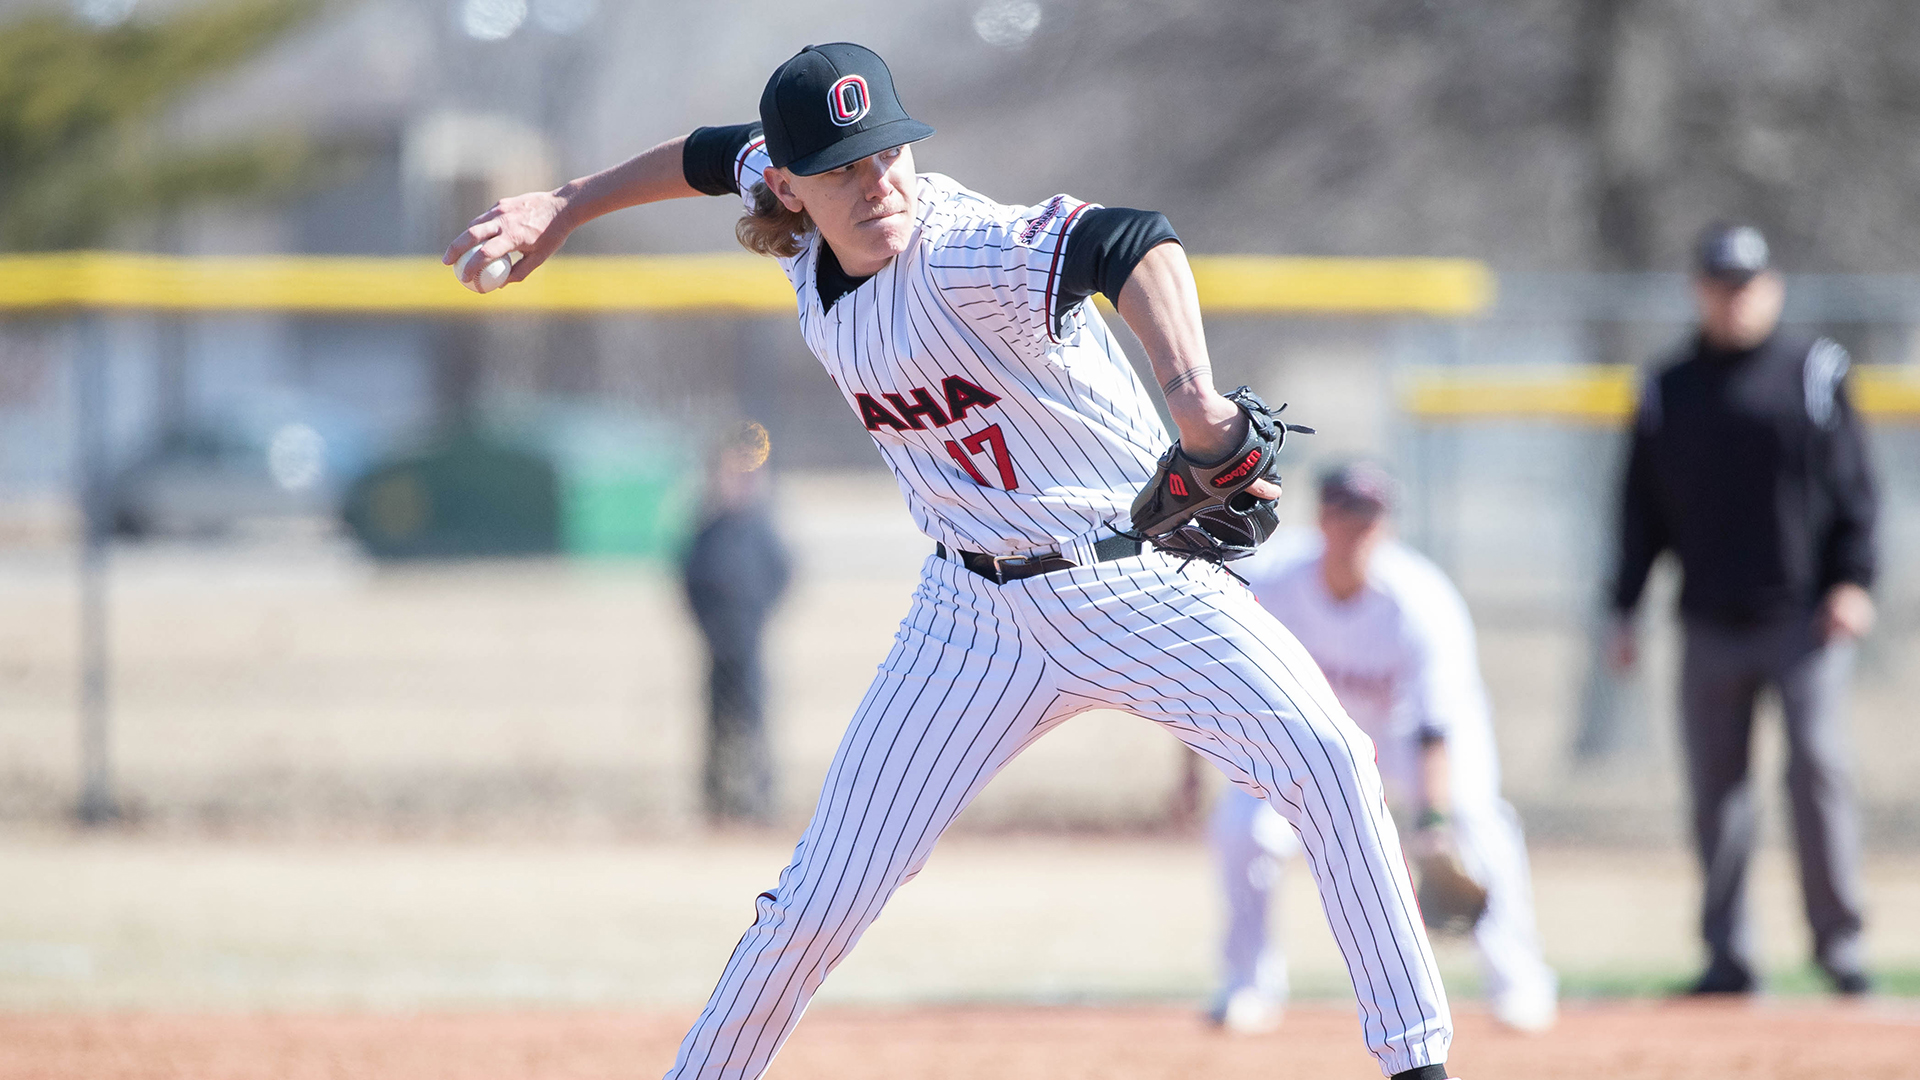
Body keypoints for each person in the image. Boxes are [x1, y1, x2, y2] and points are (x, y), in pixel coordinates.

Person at [445, 43, 1456, 1080]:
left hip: (1135, 575)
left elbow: (1133, 241)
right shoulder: (787, 200)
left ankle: (1418, 1065)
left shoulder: (967, 248)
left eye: (888, 152)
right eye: (841, 167)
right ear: (786, 184)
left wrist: (1194, 398)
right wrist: (565, 205)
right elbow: (709, 156)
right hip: (968, 616)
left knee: (1332, 766)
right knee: (817, 902)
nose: (876, 180)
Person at [1607, 222, 1878, 996]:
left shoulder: (1813, 372)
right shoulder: (1669, 386)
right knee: (1716, 795)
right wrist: (1624, 607)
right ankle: (1729, 956)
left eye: (1748, 284)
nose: (1735, 298)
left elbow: (1856, 487)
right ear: (1700, 291)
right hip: (1708, 618)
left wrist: (1853, 580)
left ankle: (1841, 947)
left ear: (1773, 288)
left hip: (1805, 620)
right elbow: (1639, 512)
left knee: (1818, 774)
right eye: (1721, 284)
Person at [1212, 464, 1557, 1035]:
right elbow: (1216, 673)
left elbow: (1434, 725)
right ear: (1322, 518)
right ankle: (1248, 985)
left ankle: (1519, 983)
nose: (1361, 529)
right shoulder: (1273, 582)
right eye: (1349, 514)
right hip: (1319, 736)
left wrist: (1434, 824)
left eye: (1373, 517)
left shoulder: (1421, 600)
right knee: (1243, 828)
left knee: (1477, 823)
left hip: (1408, 740)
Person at [683, 424, 792, 825]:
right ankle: (717, 801)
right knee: (716, 723)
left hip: (751, 637)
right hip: (715, 642)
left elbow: (782, 575)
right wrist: (707, 625)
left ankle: (758, 801)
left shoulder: (761, 529)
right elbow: (688, 581)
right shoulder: (706, 529)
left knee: (755, 720)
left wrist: (759, 617)